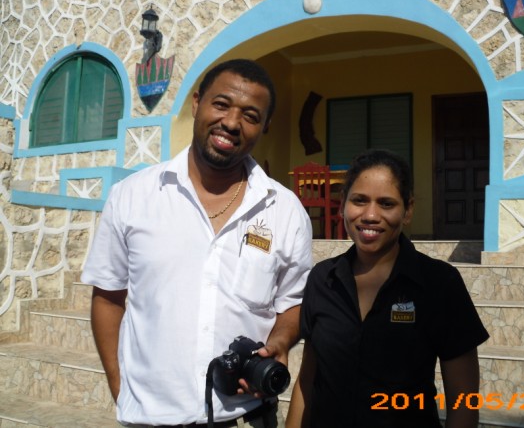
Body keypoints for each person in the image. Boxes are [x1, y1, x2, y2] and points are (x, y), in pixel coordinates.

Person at [81, 59, 313, 427]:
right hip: (152, 418)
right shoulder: (132, 196)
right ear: (196, 103)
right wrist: (119, 387)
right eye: (221, 104)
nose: (232, 123)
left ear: (265, 126)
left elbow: (294, 302)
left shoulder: (286, 211)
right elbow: (108, 297)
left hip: (246, 416)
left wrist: (281, 341)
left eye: (250, 116)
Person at [286, 149, 489, 428]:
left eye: (386, 203)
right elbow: (308, 381)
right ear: (343, 204)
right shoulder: (322, 280)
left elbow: (464, 402)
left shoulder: (440, 283)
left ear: (408, 210)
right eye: (359, 200)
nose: (370, 215)